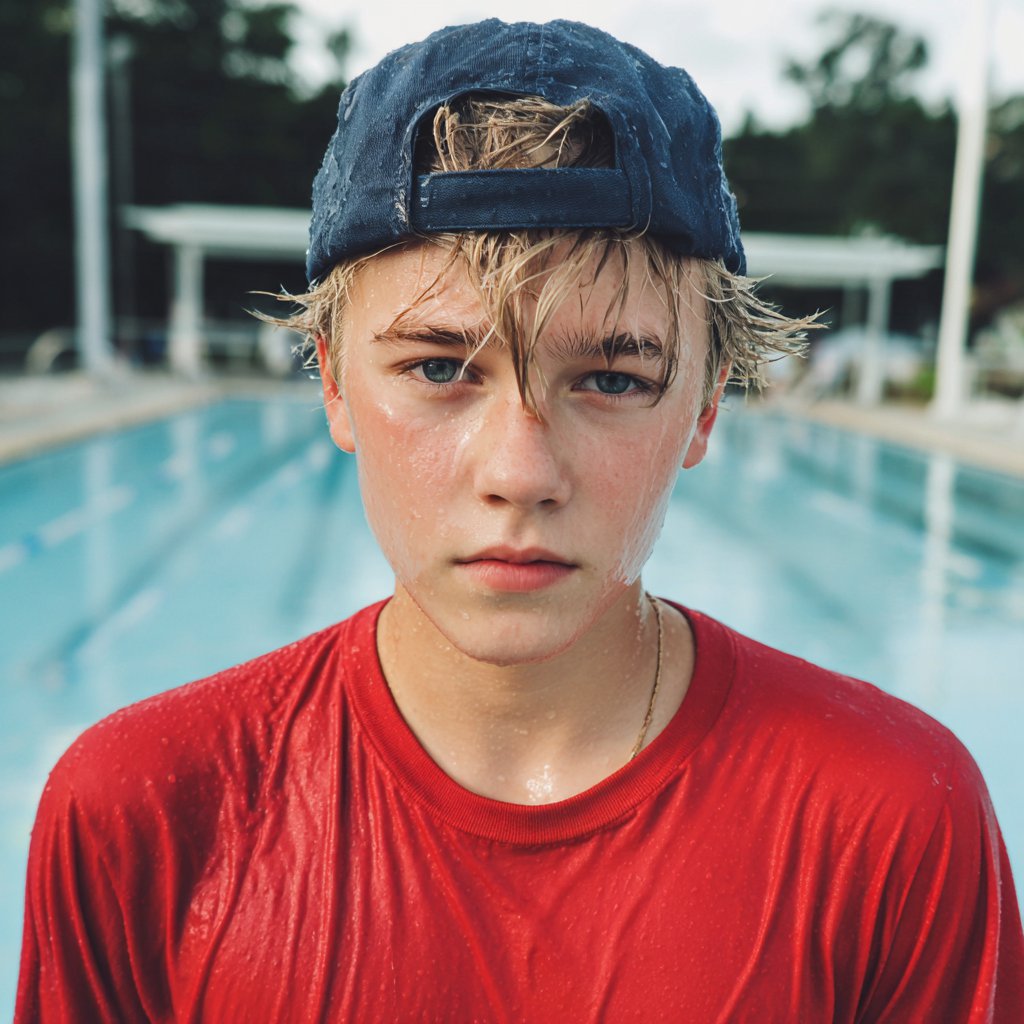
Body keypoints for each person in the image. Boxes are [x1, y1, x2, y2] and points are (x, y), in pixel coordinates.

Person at [16, 18, 1023, 1022]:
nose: (520, 471)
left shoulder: (888, 817)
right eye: (440, 369)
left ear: (707, 403)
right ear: (332, 386)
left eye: (612, 378)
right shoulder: (145, 811)